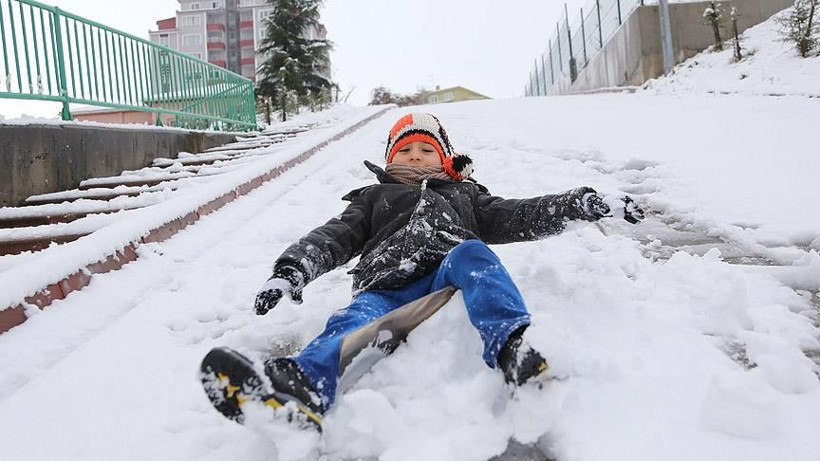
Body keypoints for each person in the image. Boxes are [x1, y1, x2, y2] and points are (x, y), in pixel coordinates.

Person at [200, 113, 644, 428]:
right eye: (405, 149)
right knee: (352, 320)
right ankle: (304, 385)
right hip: (384, 286)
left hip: (447, 275)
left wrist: (576, 204)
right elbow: (332, 236)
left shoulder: (467, 196)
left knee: (474, 254)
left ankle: (512, 345)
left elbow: (519, 214)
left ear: (445, 159)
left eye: (426, 150)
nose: (415, 157)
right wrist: (292, 269)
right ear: (392, 158)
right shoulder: (372, 199)